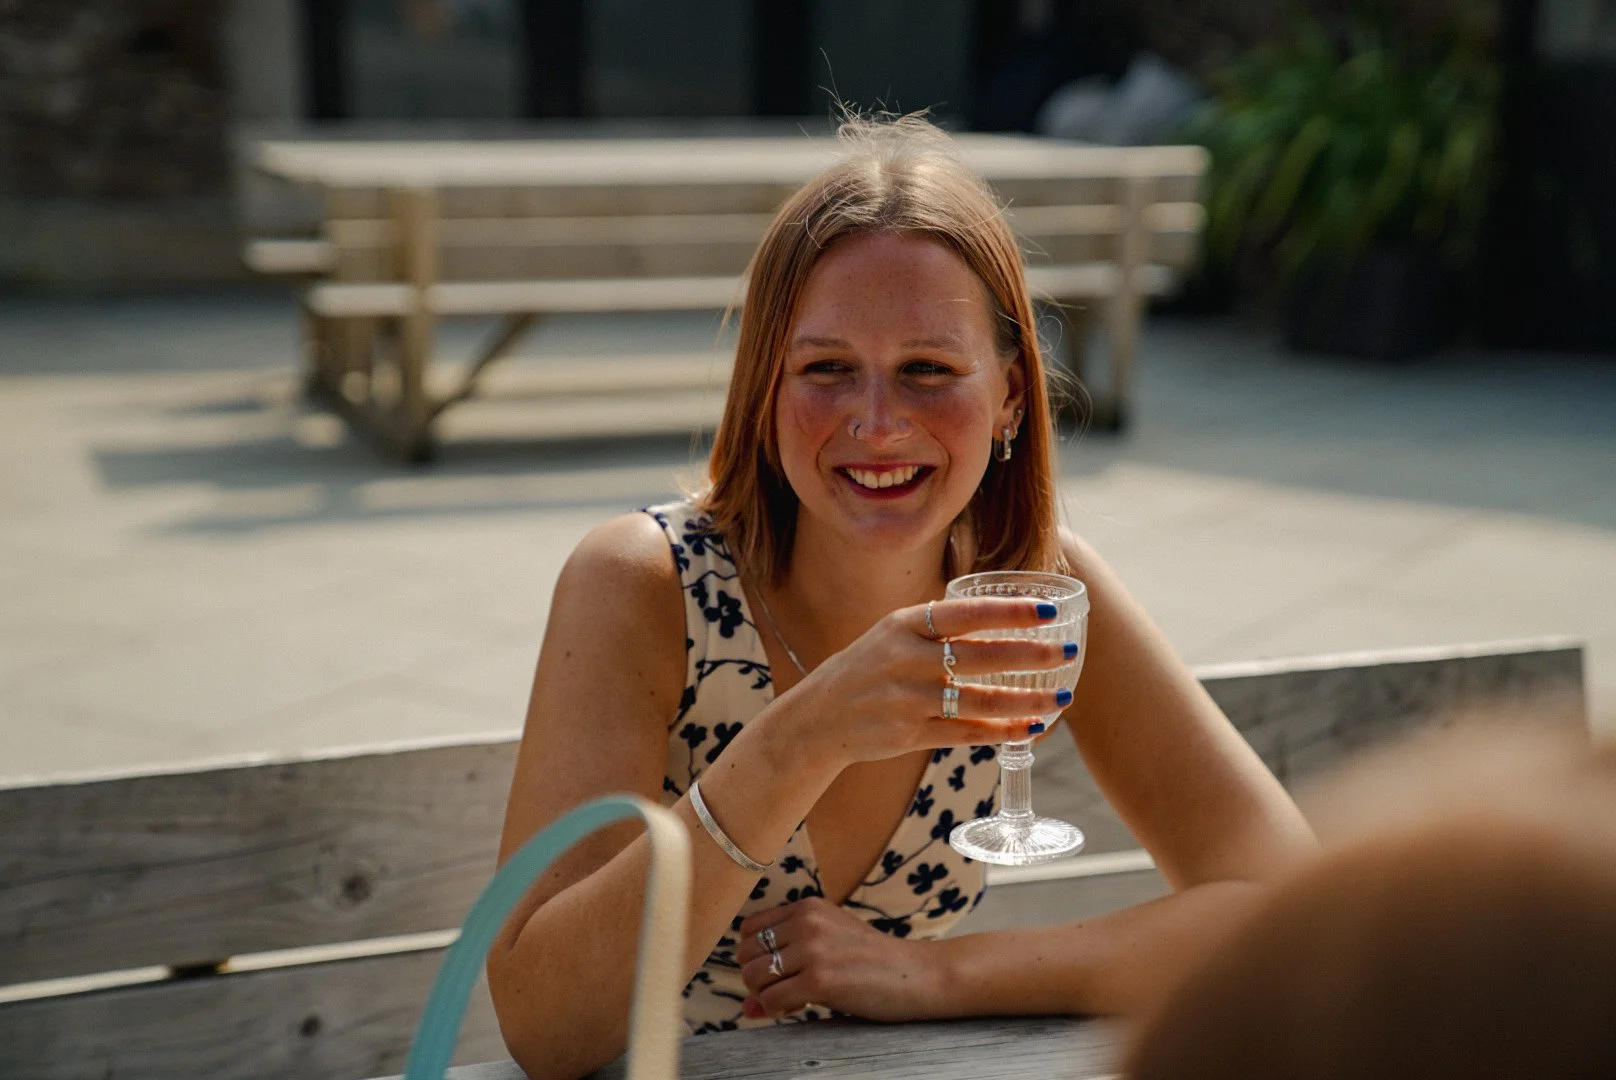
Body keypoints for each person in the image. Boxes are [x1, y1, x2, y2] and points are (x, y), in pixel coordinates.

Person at [485, 114, 1315, 1080]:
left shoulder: (1039, 587)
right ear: (764, 390)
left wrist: (935, 975)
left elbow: (1288, 912)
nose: (877, 424)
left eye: (927, 370)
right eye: (827, 369)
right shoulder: (643, 582)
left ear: (1010, 397)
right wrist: (805, 736)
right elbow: (544, 1029)